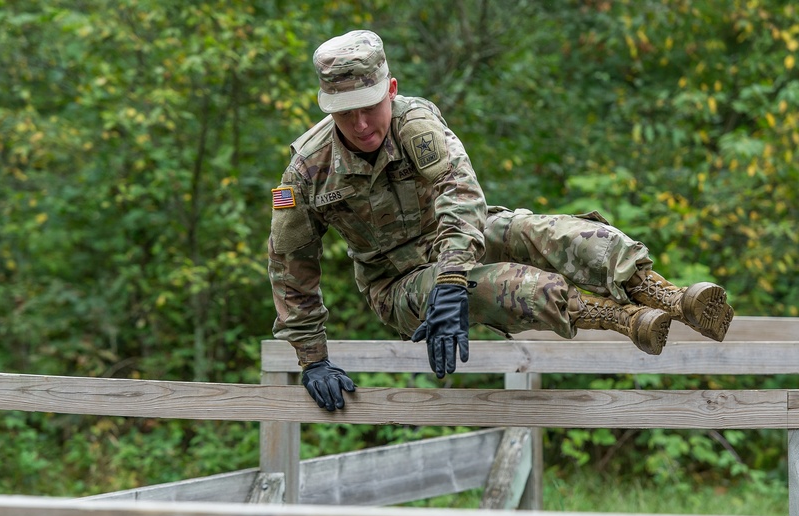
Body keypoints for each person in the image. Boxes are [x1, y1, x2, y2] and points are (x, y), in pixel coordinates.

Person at [268, 29, 733, 411]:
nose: (362, 124)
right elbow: (291, 269)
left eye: (370, 107)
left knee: (543, 232)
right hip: (397, 282)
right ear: (327, 108)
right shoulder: (306, 171)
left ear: (391, 90)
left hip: (458, 239)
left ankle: (666, 295)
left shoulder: (416, 125)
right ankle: (625, 319)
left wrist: (449, 278)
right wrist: (313, 360)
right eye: (346, 114)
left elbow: (462, 197)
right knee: (504, 284)